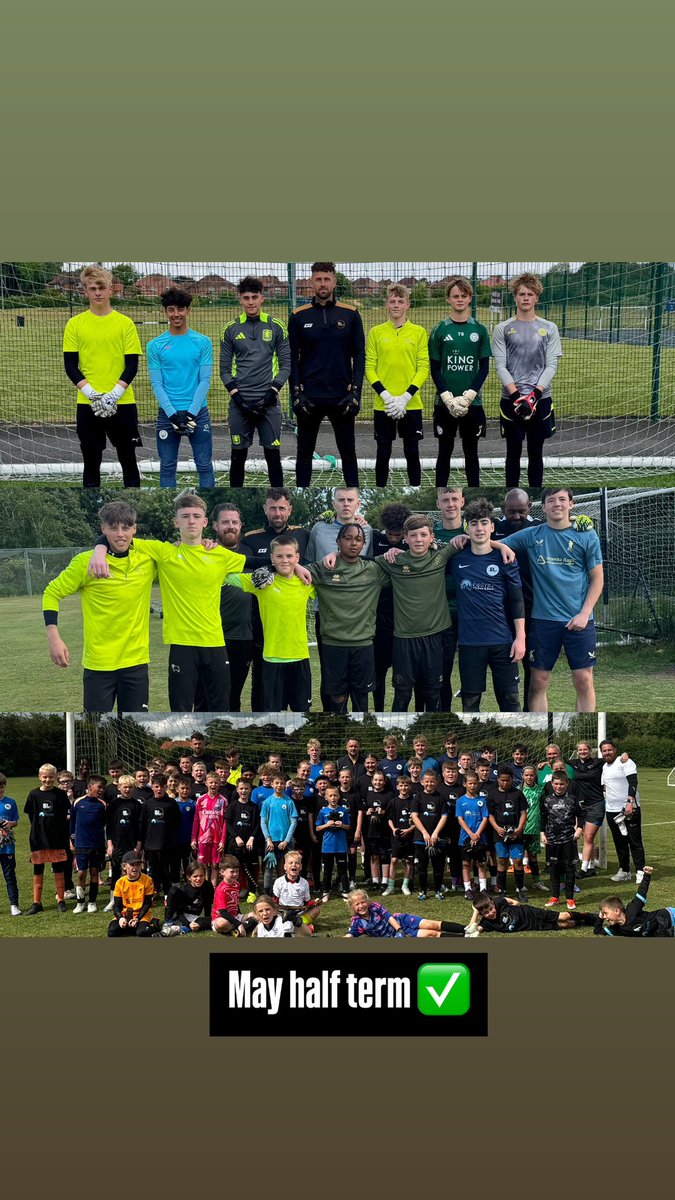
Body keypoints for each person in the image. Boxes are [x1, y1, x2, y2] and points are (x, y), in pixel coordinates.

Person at [88, 492, 258, 712]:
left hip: (216, 644)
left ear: (205, 522)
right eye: (185, 516)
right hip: (182, 646)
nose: (191, 521)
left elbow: (258, 561)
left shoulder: (220, 555)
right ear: (176, 521)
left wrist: (296, 565)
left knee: (221, 708)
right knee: (181, 711)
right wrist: (99, 551)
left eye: (196, 516)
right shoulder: (163, 552)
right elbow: (119, 535)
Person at [369, 514, 514, 711]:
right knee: (402, 694)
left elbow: (478, 538)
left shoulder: (440, 556)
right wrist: (334, 556)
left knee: (433, 691)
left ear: (431, 537)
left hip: (436, 636)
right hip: (404, 638)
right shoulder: (394, 561)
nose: (418, 540)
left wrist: (502, 546)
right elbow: (361, 562)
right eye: (413, 535)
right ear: (405, 537)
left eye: (423, 535)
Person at [43, 499, 155, 713]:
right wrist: (54, 638)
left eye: (125, 528)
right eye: (113, 528)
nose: (120, 534)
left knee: (133, 730)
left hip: (136, 664)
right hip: (98, 665)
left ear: (134, 529)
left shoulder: (148, 561)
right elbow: (51, 593)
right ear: (103, 528)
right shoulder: (86, 563)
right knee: (95, 732)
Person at [501, 488, 604, 711]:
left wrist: (584, 614)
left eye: (562, 499)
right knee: (538, 681)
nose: (557, 504)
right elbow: (496, 544)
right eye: (551, 500)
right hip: (543, 620)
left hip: (579, 620)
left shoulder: (586, 534)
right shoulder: (533, 534)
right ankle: (540, 730)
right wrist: (465, 536)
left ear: (571, 504)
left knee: (583, 681)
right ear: (544, 506)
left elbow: (598, 579)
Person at [62, 264, 143, 488]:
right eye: (92, 288)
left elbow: (132, 365)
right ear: (85, 291)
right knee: (91, 463)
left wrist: (114, 395)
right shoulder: (74, 324)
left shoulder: (125, 323)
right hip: (88, 404)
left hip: (123, 403)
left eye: (101, 287)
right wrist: (93, 394)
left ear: (110, 290)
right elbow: (70, 366)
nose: (97, 292)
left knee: (128, 461)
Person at [289, 261, 366, 487]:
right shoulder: (298, 316)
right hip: (309, 397)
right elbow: (292, 357)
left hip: (342, 397)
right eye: (318, 279)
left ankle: (354, 494)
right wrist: (296, 394)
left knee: (348, 454)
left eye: (327, 279)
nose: (322, 283)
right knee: (304, 454)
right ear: (312, 282)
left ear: (334, 282)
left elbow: (360, 355)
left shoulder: (350, 314)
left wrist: (356, 393)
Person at [449, 497, 525, 712]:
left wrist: (520, 638)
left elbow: (517, 599)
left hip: (502, 641)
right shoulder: (456, 559)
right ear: (467, 528)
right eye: (474, 524)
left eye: (484, 523)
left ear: (492, 526)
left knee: (511, 700)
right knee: (470, 702)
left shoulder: (506, 558)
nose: (479, 528)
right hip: (470, 643)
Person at [226, 534, 315, 711]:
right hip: (272, 658)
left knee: (302, 713)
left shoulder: (306, 582)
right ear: (272, 557)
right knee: (272, 714)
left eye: (290, 556)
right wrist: (265, 567)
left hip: (300, 657)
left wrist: (298, 568)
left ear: (297, 557)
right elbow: (224, 574)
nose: (285, 560)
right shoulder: (261, 582)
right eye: (279, 556)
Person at [492, 271, 563, 487]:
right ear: (515, 296)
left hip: (540, 400)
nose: (525, 298)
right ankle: (511, 493)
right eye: (521, 293)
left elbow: (551, 365)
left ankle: (535, 493)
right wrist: (517, 396)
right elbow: (500, 365)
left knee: (535, 452)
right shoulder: (502, 328)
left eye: (530, 294)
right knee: (512, 453)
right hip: (511, 400)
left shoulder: (550, 328)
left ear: (537, 298)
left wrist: (533, 396)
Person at [220, 276, 290, 486]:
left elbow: (286, 365)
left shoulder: (276, 326)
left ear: (262, 298)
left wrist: (271, 394)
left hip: (269, 404)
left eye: (254, 297)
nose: (250, 302)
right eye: (246, 298)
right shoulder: (230, 329)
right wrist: (238, 399)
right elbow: (224, 370)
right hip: (240, 404)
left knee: (273, 456)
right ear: (240, 300)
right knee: (237, 457)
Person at [243, 488, 310, 708]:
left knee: (298, 701)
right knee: (263, 690)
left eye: (282, 508)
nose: (277, 513)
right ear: (265, 509)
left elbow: (309, 564)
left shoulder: (303, 534)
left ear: (290, 510)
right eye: (273, 508)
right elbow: (240, 564)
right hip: (259, 622)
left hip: (291, 633)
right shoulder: (252, 538)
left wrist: (296, 565)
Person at [308, 524, 383, 711]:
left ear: (364, 544)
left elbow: (402, 565)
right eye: (348, 538)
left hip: (363, 644)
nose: (353, 543)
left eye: (358, 539)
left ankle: (359, 738)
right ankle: (339, 736)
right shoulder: (324, 568)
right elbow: (294, 570)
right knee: (337, 698)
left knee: (361, 698)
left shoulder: (374, 570)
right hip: (334, 644)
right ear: (338, 541)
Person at [147, 286, 215, 487]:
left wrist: (192, 412)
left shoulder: (203, 342)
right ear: (165, 312)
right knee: (167, 466)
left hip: (198, 413)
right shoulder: (155, 345)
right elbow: (157, 383)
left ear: (188, 310)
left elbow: (205, 380)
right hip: (168, 416)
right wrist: (172, 413)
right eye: (171, 309)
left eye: (180, 309)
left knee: (204, 465)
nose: (176, 314)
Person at [428, 275, 491, 486]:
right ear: (448, 299)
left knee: (471, 453)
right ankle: (440, 490)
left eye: (464, 296)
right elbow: (435, 369)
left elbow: (484, 368)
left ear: (470, 298)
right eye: (455, 296)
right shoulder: (440, 330)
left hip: (472, 404)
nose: (460, 299)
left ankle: (473, 491)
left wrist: (470, 396)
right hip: (444, 403)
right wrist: (447, 397)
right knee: (444, 452)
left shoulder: (480, 330)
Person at [365, 282, 430, 485]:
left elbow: (423, 367)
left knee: (412, 451)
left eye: (400, 301)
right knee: (383, 451)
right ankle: (381, 486)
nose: (396, 305)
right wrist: (387, 396)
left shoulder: (418, 332)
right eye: (392, 301)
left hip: (411, 404)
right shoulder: (376, 332)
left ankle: (415, 486)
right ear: (386, 304)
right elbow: (369, 368)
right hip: (383, 404)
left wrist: (405, 397)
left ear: (408, 305)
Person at [494, 488, 542, 710]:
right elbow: (476, 537)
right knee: (504, 666)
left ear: (530, 507)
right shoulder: (494, 527)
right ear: (503, 509)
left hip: (533, 608)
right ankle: (508, 709)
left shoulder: (540, 527)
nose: (516, 516)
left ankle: (530, 711)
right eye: (511, 511)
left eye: (521, 511)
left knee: (532, 667)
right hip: (500, 611)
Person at [371, 502, 412, 710]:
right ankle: (378, 710)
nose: (394, 538)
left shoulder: (413, 543)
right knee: (378, 673)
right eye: (390, 534)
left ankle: (399, 712)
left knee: (403, 677)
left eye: (398, 535)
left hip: (405, 622)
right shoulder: (375, 539)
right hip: (379, 621)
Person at [433, 487, 466, 711]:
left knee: (471, 670)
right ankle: (444, 712)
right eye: (445, 499)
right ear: (438, 504)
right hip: (441, 615)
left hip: (471, 615)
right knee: (441, 671)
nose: (451, 504)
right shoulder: (429, 534)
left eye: (455, 498)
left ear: (462, 501)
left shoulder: (476, 529)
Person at [23, 764, 70, 916]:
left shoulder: (60, 795)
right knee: (38, 869)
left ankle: (61, 900)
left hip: (57, 838)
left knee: (58, 868)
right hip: (38, 838)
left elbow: (65, 817)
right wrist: (39, 830)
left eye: (51, 777)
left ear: (56, 777)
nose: (48, 780)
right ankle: (37, 902)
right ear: (39, 777)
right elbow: (32, 816)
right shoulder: (33, 795)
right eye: (45, 777)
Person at [601, 739, 646, 884]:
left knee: (634, 841)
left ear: (615, 749)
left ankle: (640, 871)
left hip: (628, 809)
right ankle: (625, 870)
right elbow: (605, 787)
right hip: (612, 810)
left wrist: (629, 802)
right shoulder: (604, 767)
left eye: (609, 749)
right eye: (604, 750)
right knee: (619, 842)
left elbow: (633, 782)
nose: (607, 752)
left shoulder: (625, 762)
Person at [541, 770, 585, 910]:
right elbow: (542, 818)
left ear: (566, 784)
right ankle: (555, 896)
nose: (558, 786)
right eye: (556, 784)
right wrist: (542, 832)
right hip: (552, 840)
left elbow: (581, 815)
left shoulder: (572, 799)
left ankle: (570, 898)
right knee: (554, 868)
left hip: (568, 839)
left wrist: (580, 828)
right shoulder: (547, 800)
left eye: (561, 784)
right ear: (552, 784)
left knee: (570, 868)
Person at [345, 889, 466, 938]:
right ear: (352, 907)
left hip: (401, 921)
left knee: (431, 924)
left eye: (363, 902)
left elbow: (388, 916)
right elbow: (350, 934)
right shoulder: (357, 922)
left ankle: (465, 929)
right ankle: (465, 938)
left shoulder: (374, 906)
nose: (361, 906)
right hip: (395, 936)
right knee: (431, 934)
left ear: (367, 901)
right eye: (357, 904)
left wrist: (399, 929)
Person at [137, 773, 180, 902]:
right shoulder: (148, 804)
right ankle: (153, 892)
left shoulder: (171, 803)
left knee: (166, 870)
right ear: (153, 787)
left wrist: (172, 841)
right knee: (153, 870)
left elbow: (177, 823)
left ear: (166, 787)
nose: (159, 789)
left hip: (167, 844)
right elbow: (142, 824)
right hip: (151, 844)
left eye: (162, 786)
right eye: (156, 786)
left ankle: (168, 893)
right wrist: (141, 843)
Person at [468, 891, 594, 934]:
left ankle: (587, 916)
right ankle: (582, 922)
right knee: (566, 924)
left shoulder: (499, 901)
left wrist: (513, 904)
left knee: (563, 916)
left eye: (491, 909)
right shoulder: (487, 924)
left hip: (531, 913)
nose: (490, 913)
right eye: (485, 913)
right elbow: (472, 929)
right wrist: (475, 912)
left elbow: (515, 903)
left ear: (492, 903)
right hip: (533, 925)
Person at [595, 868, 674, 936]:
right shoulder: (617, 929)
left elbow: (641, 893)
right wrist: (600, 917)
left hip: (670, 916)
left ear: (617, 911)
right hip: (665, 930)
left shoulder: (632, 909)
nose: (604, 917)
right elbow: (598, 931)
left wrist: (647, 875)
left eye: (605, 913)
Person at [104, 774, 142, 913]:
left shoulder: (137, 805)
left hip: (131, 845)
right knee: (116, 872)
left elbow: (140, 828)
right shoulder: (114, 805)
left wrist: (138, 845)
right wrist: (109, 845)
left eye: (130, 787)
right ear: (119, 788)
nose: (127, 790)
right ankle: (113, 901)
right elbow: (109, 826)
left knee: (134, 872)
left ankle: (134, 899)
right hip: (117, 844)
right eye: (125, 787)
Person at [70, 773, 107, 913]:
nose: (102, 790)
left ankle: (92, 902)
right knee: (81, 873)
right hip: (81, 844)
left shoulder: (102, 805)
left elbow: (105, 823)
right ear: (90, 787)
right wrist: (72, 840)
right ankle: (80, 903)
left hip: (97, 845)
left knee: (94, 871)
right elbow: (72, 822)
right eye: (99, 787)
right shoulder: (78, 802)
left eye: (103, 788)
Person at [569, 740, 606, 877]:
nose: (583, 752)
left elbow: (613, 759)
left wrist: (624, 756)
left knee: (589, 837)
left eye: (585, 750)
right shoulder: (573, 764)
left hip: (596, 804)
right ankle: (590, 867)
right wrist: (545, 763)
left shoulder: (598, 762)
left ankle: (583, 869)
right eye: (580, 750)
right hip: (580, 806)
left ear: (590, 750)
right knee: (586, 836)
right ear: (577, 752)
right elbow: (557, 763)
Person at [455, 771, 490, 902]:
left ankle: (483, 889)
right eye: (470, 783)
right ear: (465, 784)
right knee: (465, 864)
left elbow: (485, 818)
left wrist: (477, 834)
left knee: (481, 863)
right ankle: (468, 889)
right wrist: (470, 834)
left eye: (475, 783)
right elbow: (460, 819)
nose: (472, 786)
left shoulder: (482, 800)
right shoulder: (460, 801)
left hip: (480, 837)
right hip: (465, 837)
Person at [260, 777, 299, 892]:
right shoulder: (267, 802)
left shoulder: (289, 801)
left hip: (285, 841)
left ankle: (283, 891)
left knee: (285, 867)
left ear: (285, 785)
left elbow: (293, 822)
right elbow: (263, 822)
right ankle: (268, 893)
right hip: (271, 841)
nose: (279, 785)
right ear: (272, 784)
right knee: (269, 868)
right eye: (277, 783)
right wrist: (268, 840)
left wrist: (287, 840)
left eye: (282, 783)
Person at [190, 772, 228, 887]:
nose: (213, 785)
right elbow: (196, 820)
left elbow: (225, 822)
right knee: (202, 865)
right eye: (211, 782)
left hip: (217, 838)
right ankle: (204, 888)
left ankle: (213, 889)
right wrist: (193, 838)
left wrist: (223, 840)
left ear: (219, 784)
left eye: (216, 783)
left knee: (215, 865)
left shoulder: (223, 800)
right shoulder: (201, 800)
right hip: (203, 838)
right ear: (206, 783)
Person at [107, 851, 156, 937]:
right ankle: (131, 927)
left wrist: (137, 918)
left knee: (141, 933)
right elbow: (116, 905)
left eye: (138, 864)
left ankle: (154, 924)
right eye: (132, 865)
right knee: (112, 932)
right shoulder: (120, 883)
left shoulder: (147, 880)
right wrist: (120, 918)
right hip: (126, 914)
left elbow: (147, 903)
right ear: (124, 866)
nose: (135, 867)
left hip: (142, 914)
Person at [315, 784, 351, 900]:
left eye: (335, 795)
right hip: (328, 846)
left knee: (343, 870)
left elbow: (348, 827)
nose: (333, 798)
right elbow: (317, 828)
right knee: (327, 870)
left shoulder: (343, 810)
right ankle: (326, 892)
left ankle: (345, 891)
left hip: (341, 845)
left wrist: (342, 825)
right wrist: (327, 825)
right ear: (326, 798)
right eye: (330, 795)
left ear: (339, 796)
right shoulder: (323, 812)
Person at [272, 849, 320, 934]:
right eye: (290, 863)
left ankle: (301, 923)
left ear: (301, 867)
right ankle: (302, 927)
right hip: (283, 913)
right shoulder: (279, 882)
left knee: (316, 909)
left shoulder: (304, 883)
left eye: (297, 863)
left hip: (299, 912)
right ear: (285, 867)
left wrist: (315, 902)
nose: (294, 865)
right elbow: (274, 901)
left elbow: (307, 903)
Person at [162, 861, 215, 935]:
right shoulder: (183, 890)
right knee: (173, 890)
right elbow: (179, 912)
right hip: (180, 916)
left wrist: (207, 921)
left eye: (201, 875)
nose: (199, 879)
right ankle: (168, 923)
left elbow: (208, 905)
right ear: (188, 877)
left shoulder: (208, 886)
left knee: (214, 920)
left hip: (195, 918)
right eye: (195, 876)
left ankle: (182, 929)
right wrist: (188, 923)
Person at [212, 855, 252, 937]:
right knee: (222, 924)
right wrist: (238, 924)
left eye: (237, 871)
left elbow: (236, 903)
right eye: (232, 871)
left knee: (256, 914)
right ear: (222, 872)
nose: (235, 874)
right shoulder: (221, 890)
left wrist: (240, 916)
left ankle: (236, 928)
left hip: (235, 917)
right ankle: (241, 926)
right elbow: (223, 912)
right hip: (221, 918)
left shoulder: (237, 884)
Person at [0, 773, 21, 916]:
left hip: (7, 846)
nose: (0, 790)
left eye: (2, 787)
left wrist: (10, 824)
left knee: (9, 876)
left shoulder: (11, 802)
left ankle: (14, 905)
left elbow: (16, 821)